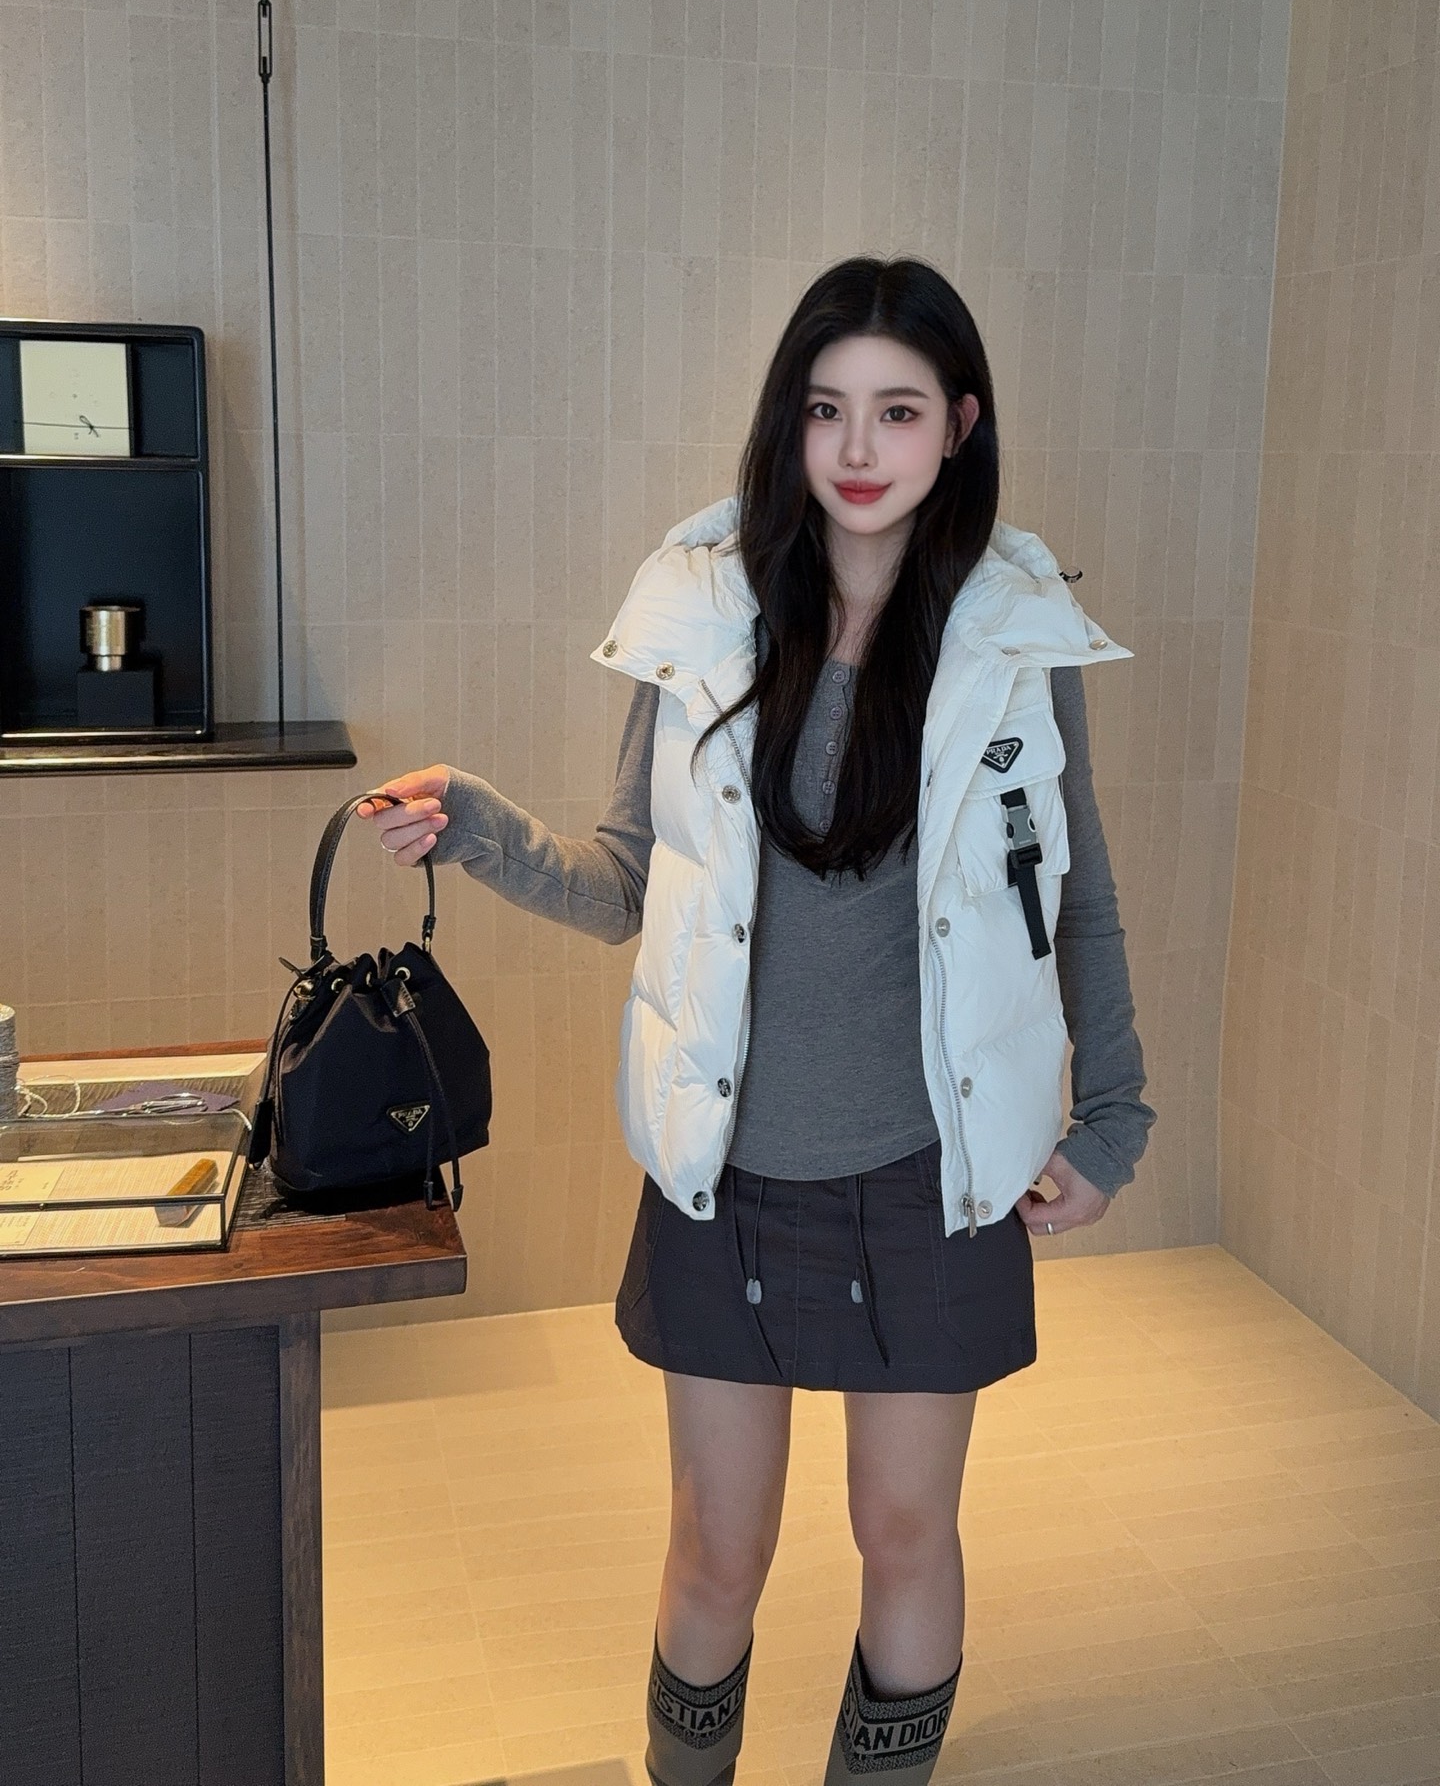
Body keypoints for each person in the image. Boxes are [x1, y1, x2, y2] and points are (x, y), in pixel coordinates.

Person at [360, 255, 1156, 1786]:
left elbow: (1082, 900)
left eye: (898, 411)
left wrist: (1112, 1120)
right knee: (718, 1548)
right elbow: (624, 883)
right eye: (826, 408)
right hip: (726, 1170)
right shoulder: (700, 612)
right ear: (788, 421)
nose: (858, 447)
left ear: (959, 426)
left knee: (905, 1531)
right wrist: (475, 822)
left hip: (934, 1173)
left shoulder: (1018, 635)